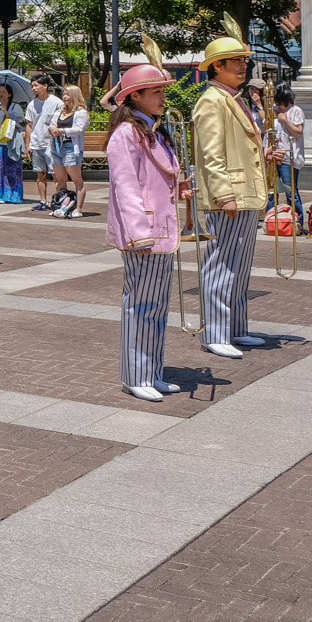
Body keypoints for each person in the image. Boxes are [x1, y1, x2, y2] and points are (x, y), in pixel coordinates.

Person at [191, 31, 282, 360]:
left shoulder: (232, 98)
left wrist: (264, 153)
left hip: (245, 194)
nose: (244, 66)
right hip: (229, 197)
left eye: (244, 60)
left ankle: (235, 328)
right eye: (237, 61)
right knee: (221, 265)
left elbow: (238, 148)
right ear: (217, 66)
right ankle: (215, 333)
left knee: (239, 266)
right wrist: (223, 195)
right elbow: (212, 155)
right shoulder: (211, 101)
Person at [103, 60, 190, 402]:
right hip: (145, 234)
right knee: (139, 305)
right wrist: (139, 234)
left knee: (156, 306)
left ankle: (152, 371)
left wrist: (180, 189)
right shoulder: (126, 133)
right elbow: (125, 187)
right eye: (155, 91)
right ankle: (134, 375)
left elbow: (157, 178)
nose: (162, 96)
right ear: (134, 96)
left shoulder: (152, 128)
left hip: (162, 230)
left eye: (162, 90)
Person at [49, 85, 89, 219]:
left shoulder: (81, 112)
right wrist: (52, 129)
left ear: (74, 95)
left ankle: (78, 208)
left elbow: (79, 129)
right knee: (60, 179)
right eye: (63, 94)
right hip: (56, 146)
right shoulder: (60, 111)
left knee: (77, 179)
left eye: (67, 94)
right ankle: (61, 206)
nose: (64, 97)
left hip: (70, 147)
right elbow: (51, 124)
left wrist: (62, 131)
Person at [25, 74, 63, 210]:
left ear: (45, 86)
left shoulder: (57, 103)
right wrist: (27, 144)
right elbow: (29, 125)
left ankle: (59, 200)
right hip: (36, 143)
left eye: (36, 85)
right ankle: (43, 201)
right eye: (32, 86)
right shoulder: (31, 104)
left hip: (51, 144)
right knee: (40, 174)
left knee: (56, 174)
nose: (34, 88)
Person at [0, 83, 25, 203]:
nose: (0, 94)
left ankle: (12, 195)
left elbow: (20, 125)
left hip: (11, 142)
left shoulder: (15, 107)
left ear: (9, 94)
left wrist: (7, 113)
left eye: (3, 92)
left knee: (12, 170)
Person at [271, 83, 304, 206]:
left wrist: (285, 120)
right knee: (271, 192)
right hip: (274, 155)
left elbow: (298, 132)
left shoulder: (296, 111)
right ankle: (272, 219)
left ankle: (297, 221)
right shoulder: (274, 112)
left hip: (289, 158)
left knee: (291, 192)